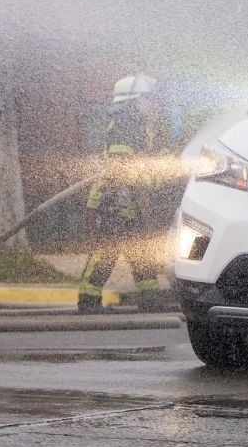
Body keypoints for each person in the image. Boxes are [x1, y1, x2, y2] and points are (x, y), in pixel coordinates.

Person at [77, 74, 180, 313]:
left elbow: (147, 159)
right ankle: (88, 300)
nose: (152, 104)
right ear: (134, 100)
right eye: (148, 99)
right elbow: (121, 167)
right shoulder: (125, 122)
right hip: (114, 198)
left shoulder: (140, 124)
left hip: (130, 198)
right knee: (106, 251)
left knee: (140, 249)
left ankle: (150, 299)